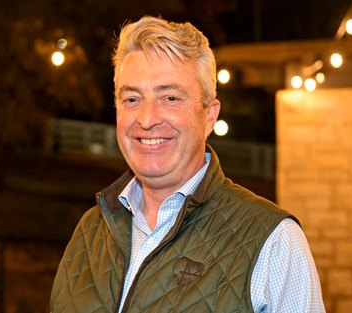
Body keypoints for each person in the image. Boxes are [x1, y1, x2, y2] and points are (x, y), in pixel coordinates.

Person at [50, 16, 325, 313]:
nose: (146, 119)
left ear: (209, 116)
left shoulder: (273, 241)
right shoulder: (90, 232)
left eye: (170, 97)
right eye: (131, 99)